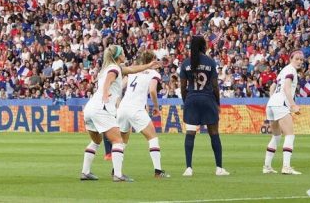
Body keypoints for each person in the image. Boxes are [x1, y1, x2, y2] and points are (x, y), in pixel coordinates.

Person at [80, 45, 161, 182]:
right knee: (118, 141)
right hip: (101, 108)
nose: (125, 54)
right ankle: (118, 175)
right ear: (118, 56)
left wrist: (148, 65)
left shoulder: (111, 67)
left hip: (90, 108)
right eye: (123, 52)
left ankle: (85, 172)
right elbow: (108, 82)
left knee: (96, 140)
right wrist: (106, 93)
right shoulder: (114, 69)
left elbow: (133, 69)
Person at [180, 35, 229, 177]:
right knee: (214, 134)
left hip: (191, 99)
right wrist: (217, 103)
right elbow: (215, 86)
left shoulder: (186, 63)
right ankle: (219, 168)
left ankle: (188, 168)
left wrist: (187, 100)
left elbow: (183, 87)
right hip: (208, 100)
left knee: (190, 134)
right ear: (203, 46)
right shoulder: (210, 62)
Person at [117, 50, 170, 178]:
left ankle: (116, 170)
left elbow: (119, 87)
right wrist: (156, 106)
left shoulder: (133, 71)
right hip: (136, 109)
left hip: (123, 108)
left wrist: (118, 102)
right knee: (152, 138)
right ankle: (158, 171)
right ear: (153, 60)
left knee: (122, 141)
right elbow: (152, 90)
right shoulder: (154, 73)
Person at [263, 51, 304, 175]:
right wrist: (293, 105)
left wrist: (273, 100)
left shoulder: (283, 70)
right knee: (290, 135)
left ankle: (267, 166)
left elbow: (272, 87)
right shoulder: (291, 71)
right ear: (290, 58)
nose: (299, 61)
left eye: (301, 60)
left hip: (271, 104)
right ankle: (286, 167)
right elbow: (286, 88)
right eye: (297, 59)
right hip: (281, 105)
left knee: (276, 136)